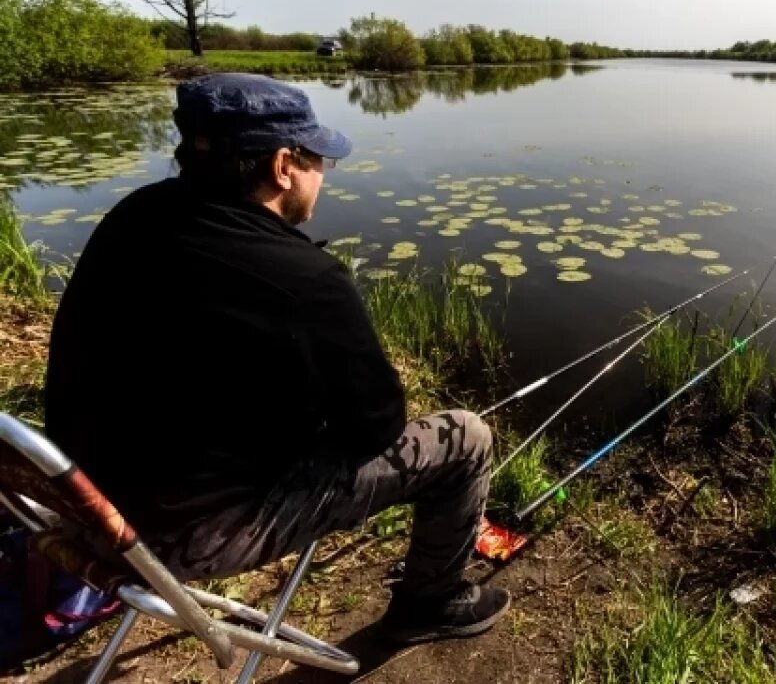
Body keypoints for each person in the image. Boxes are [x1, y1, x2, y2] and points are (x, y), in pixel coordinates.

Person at [43, 72, 510, 644]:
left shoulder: (134, 217)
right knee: (465, 438)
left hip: (80, 505)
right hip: (184, 536)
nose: (323, 174)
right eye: (319, 159)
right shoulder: (308, 282)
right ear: (284, 164)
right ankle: (430, 601)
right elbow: (379, 426)